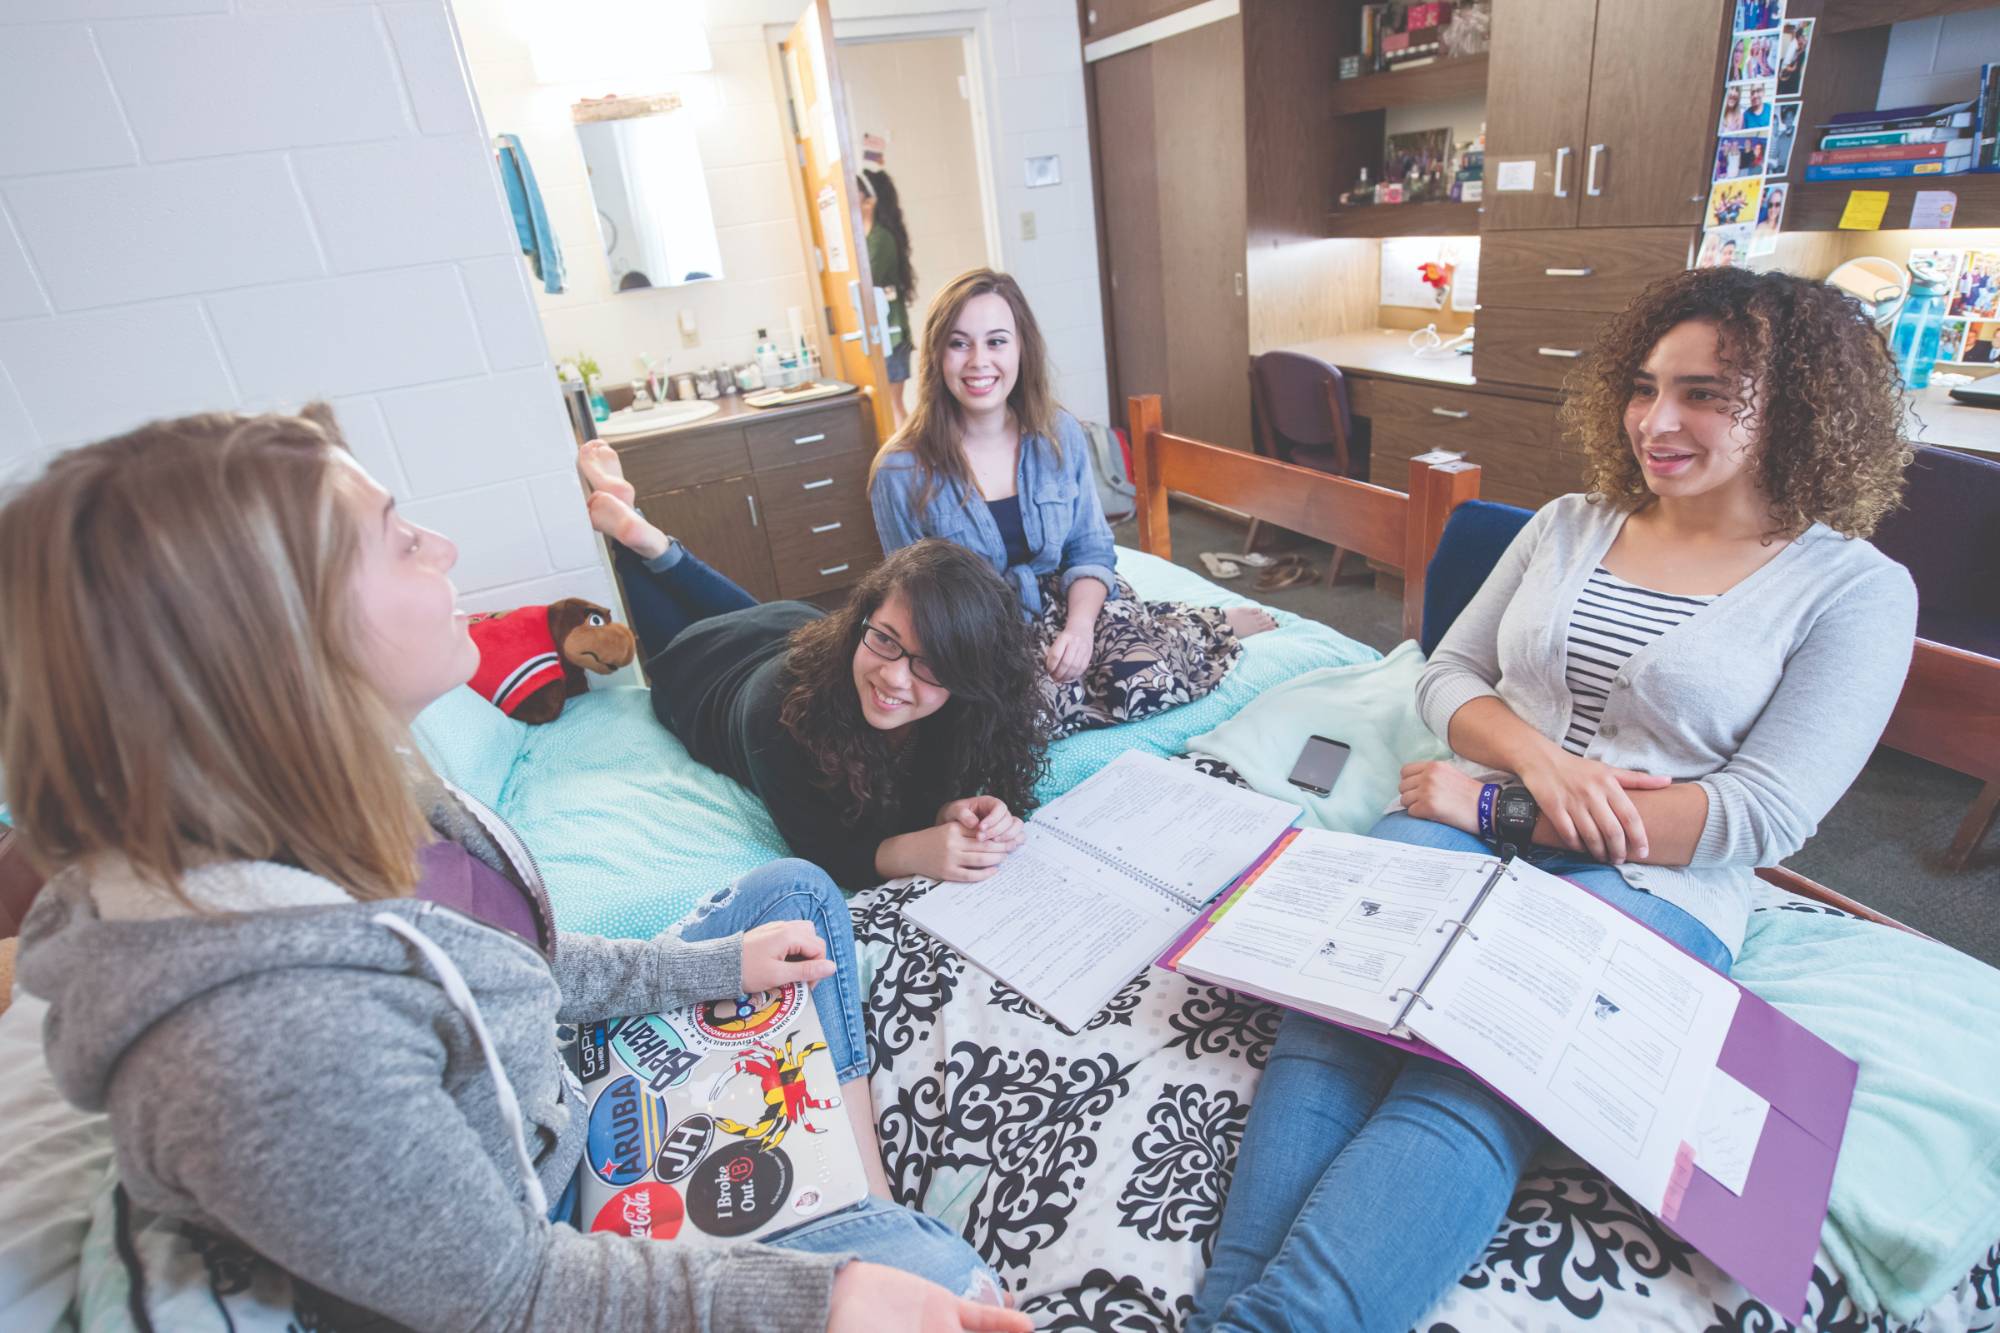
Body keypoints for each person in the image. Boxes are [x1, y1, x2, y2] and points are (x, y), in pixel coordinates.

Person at [2, 407, 1032, 1333]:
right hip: (557, 1224)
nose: (445, 547)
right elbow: (507, 1293)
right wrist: (819, 1299)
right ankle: (863, 1221)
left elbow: (510, 959)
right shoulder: (273, 1040)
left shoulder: (363, 799)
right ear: (272, 642)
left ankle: (858, 1182)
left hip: (556, 1098)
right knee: (942, 1277)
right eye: (400, 540)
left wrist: (715, 967)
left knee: (791, 901)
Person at [1191, 267, 1918, 1332]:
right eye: (1643, 386)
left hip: (1652, 875)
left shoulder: (1853, 589)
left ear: (1798, 407)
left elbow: (1757, 815)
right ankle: (1226, 1309)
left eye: (1704, 395)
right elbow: (1446, 676)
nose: (1655, 421)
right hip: (1466, 801)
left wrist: (1496, 811)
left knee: (1475, 1067)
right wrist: (1537, 760)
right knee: (1334, 1012)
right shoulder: (1570, 522)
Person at [580, 440, 1045, 889]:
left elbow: (931, 778)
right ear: (863, 618)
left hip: (787, 625)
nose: (894, 676)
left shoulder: (957, 700)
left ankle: (655, 543)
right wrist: (913, 850)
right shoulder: (777, 717)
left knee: (765, 618)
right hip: (708, 672)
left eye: (930, 664)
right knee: (682, 638)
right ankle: (630, 538)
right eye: (886, 638)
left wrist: (954, 811)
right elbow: (825, 849)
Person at [869, 267, 1275, 738]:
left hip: (1070, 604)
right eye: (959, 344)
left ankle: (1197, 626)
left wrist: (1079, 630)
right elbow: (911, 597)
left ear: (1022, 349)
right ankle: (1160, 625)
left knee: (1143, 683)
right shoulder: (899, 472)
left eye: (997, 342)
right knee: (1022, 720)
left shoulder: (1059, 434)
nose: (979, 361)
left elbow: (1089, 548)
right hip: (979, 634)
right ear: (937, 355)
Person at [860, 168, 916, 430]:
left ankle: (905, 454)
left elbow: (869, 281)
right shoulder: (869, 236)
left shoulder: (881, 238)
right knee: (890, 404)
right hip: (886, 333)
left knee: (893, 404)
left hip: (891, 333)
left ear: (870, 199)